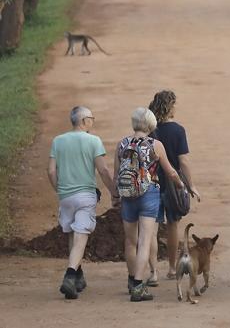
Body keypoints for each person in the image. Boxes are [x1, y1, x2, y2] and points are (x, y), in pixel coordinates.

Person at [47, 106, 117, 299]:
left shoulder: (58, 141)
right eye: (92, 118)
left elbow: (51, 171)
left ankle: (78, 276)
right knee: (81, 234)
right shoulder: (93, 141)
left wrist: (59, 189)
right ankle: (70, 275)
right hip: (85, 195)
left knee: (72, 233)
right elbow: (103, 171)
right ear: (84, 120)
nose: (93, 121)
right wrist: (113, 192)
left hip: (66, 196)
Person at [114, 107, 183, 302]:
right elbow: (170, 172)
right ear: (151, 125)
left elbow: (116, 174)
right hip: (149, 195)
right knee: (145, 240)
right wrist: (180, 185)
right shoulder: (156, 145)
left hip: (127, 195)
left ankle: (130, 279)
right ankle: (138, 285)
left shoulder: (122, 144)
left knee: (130, 241)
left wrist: (115, 196)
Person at [147, 90, 201, 284]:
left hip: (151, 183)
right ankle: (171, 268)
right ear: (170, 108)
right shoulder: (178, 130)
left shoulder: (150, 130)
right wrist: (191, 185)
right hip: (172, 185)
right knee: (172, 226)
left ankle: (152, 272)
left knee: (151, 229)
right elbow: (183, 161)